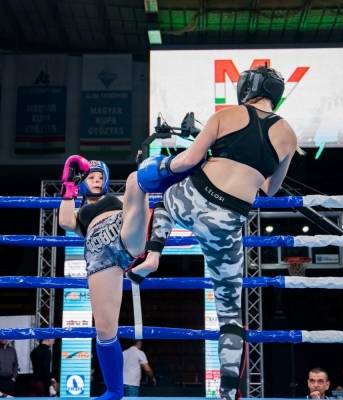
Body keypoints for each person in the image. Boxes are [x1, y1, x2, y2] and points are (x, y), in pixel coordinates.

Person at [129, 66, 300, 400]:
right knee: (230, 314)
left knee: (165, 201)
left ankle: (153, 254)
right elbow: (270, 189)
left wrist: (161, 168)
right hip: (229, 220)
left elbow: (188, 160)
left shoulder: (226, 115)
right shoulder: (289, 135)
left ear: (247, 87)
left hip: (195, 196)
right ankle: (228, 391)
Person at [58, 156, 149, 400]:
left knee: (135, 182)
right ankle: (115, 390)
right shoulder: (79, 212)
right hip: (99, 252)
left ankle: (150, 172)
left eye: (100, 177)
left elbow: (131, 208)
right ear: (82, 181)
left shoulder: (114, 199)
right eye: (91, 177)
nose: (97, 181)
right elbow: (65, 221)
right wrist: (68, 185)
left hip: (125, 233)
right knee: (105, 328)